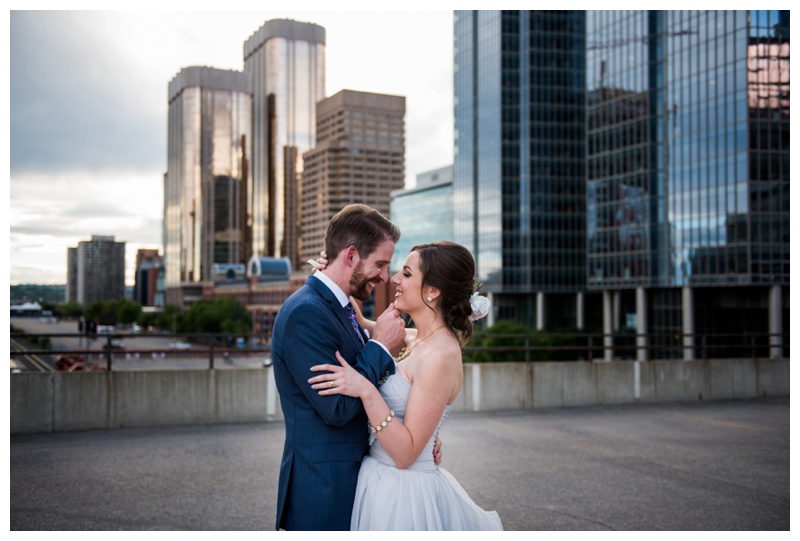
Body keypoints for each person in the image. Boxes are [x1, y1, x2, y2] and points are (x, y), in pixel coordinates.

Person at [309, 241, 503, 530]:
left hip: (404, 495)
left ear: (433, 291)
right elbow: (357, 319)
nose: (395, 279)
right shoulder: (416, 338)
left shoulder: (441, 354)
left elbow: (406, 453)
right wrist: (334, 268)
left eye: (407, 274)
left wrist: (365, 389)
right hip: (379, 480)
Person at [272, 204, 428, 531]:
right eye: (381, 264)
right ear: (352, 256)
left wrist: (421, 433)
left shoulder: (340, 306)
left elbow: (367, 378)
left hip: (355, 481)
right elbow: (338, 407)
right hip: (324, 491)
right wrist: (380, 345)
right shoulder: (306, 313)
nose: (385, 276)